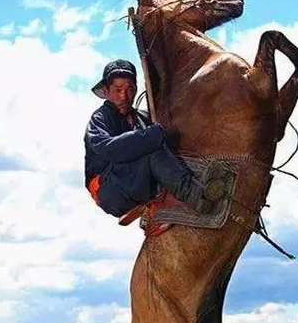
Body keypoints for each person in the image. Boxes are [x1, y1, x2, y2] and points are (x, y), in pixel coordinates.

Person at [84, 59, 228, 219]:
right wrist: (152, 135)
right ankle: (197, 198)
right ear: (106, 90)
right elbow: (110, 149)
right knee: (153, 149)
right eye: (118, 90)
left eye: (130, 90)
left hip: (136, 180)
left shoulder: (142, 118)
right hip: (108, 191)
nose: (124, 96)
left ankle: (203, 179)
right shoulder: (100, 118)